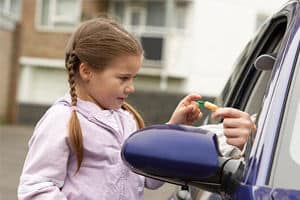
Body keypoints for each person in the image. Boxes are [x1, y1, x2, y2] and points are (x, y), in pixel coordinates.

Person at [17, 17, 255, 200]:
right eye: (123, 78)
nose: (130, 87)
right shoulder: (62, 120)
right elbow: (35, 187)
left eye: (133, 78)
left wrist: (174, 128)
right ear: (86, 71)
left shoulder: (127, 119)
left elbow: (150, 179)